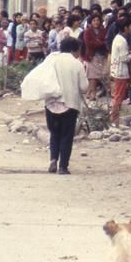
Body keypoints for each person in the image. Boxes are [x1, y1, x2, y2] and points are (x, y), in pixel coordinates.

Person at [41, 37, 90, 174]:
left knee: (54, 133)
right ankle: (63, 166)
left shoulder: (51, 60)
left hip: (51, 103)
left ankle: (53, 159)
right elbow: (84, 87)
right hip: (70, 104)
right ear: (75, 49)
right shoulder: (77, 64)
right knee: (67, 135)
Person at [109, 16, 131, 125]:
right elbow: (124, 58)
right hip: (120, 71)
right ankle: (114, 118)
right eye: (130, 26)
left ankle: (115, 117)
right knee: (119, 96)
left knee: (118, 95)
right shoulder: (122, 40)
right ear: (125, 27)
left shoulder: (117, 38)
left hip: (117, 69)